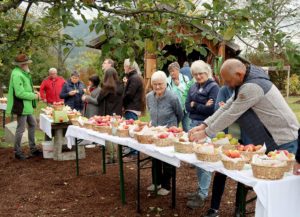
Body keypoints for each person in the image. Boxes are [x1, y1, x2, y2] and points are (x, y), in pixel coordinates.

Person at [187, 59, 299, 216]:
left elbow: (232, 113)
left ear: (239, 74)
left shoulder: (252, 87)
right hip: (273, 140)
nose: (225, 84)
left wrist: (206, 133)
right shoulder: (245, 81)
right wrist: (204, 125)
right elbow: (227, 106)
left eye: (227, 80)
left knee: (280, 196)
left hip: (284, 141)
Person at [185, 60, 219, 209]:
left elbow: (212, 111)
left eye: (201, 73)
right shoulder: (193, 87)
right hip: (193, 125)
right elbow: (187, 106)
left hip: (206, 128)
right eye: (195, 74)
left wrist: (196, 105)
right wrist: (202, 105)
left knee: (204, 161)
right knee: (197, 160)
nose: (198, 76)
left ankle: (203, 194)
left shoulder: (214, 87)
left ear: (207, 72)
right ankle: (200, 189)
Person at [146, 70, 183, 195]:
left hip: (169, 133)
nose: (157, 87)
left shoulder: (172, 97)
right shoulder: (149, 97)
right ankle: (156, 182)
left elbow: (180, 114)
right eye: (155, 84)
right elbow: (150, 111)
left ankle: (167, 186)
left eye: (160, 84)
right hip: (155, 133)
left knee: (167, 159)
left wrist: (172, 127)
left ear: (166, 83)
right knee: (155, 157)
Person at [6, 54, 42, 160]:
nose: (27, 64)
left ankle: (33, 148)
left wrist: (32, 91)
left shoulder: (23, 72)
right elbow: (19, 93)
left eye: (27, 63)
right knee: (20, 129)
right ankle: (17, 151)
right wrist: (34, 96)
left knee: (33, 124)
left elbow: (25, 88)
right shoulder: (17, 74)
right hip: (21, 106)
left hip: (27, 106)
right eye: (26, 63)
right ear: (21, 65)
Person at [97, 67, 124, 163]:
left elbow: (98, 100)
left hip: (107, 115)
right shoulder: (121, 86)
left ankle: (109, 157)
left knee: (108, 136)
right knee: (116, 135)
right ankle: (117, 156)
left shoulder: (105, 88)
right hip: (117, 115)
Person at [167, 61, 190, 132]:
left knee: (186, 128)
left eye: (173, 71)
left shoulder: (185, 79)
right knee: (173, 129)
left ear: (178, 70)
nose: (172, 73)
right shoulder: (167, 81)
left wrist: (179, 85)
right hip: (174, 109)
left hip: (184, 108)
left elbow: (188, 91)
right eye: (170, 71)